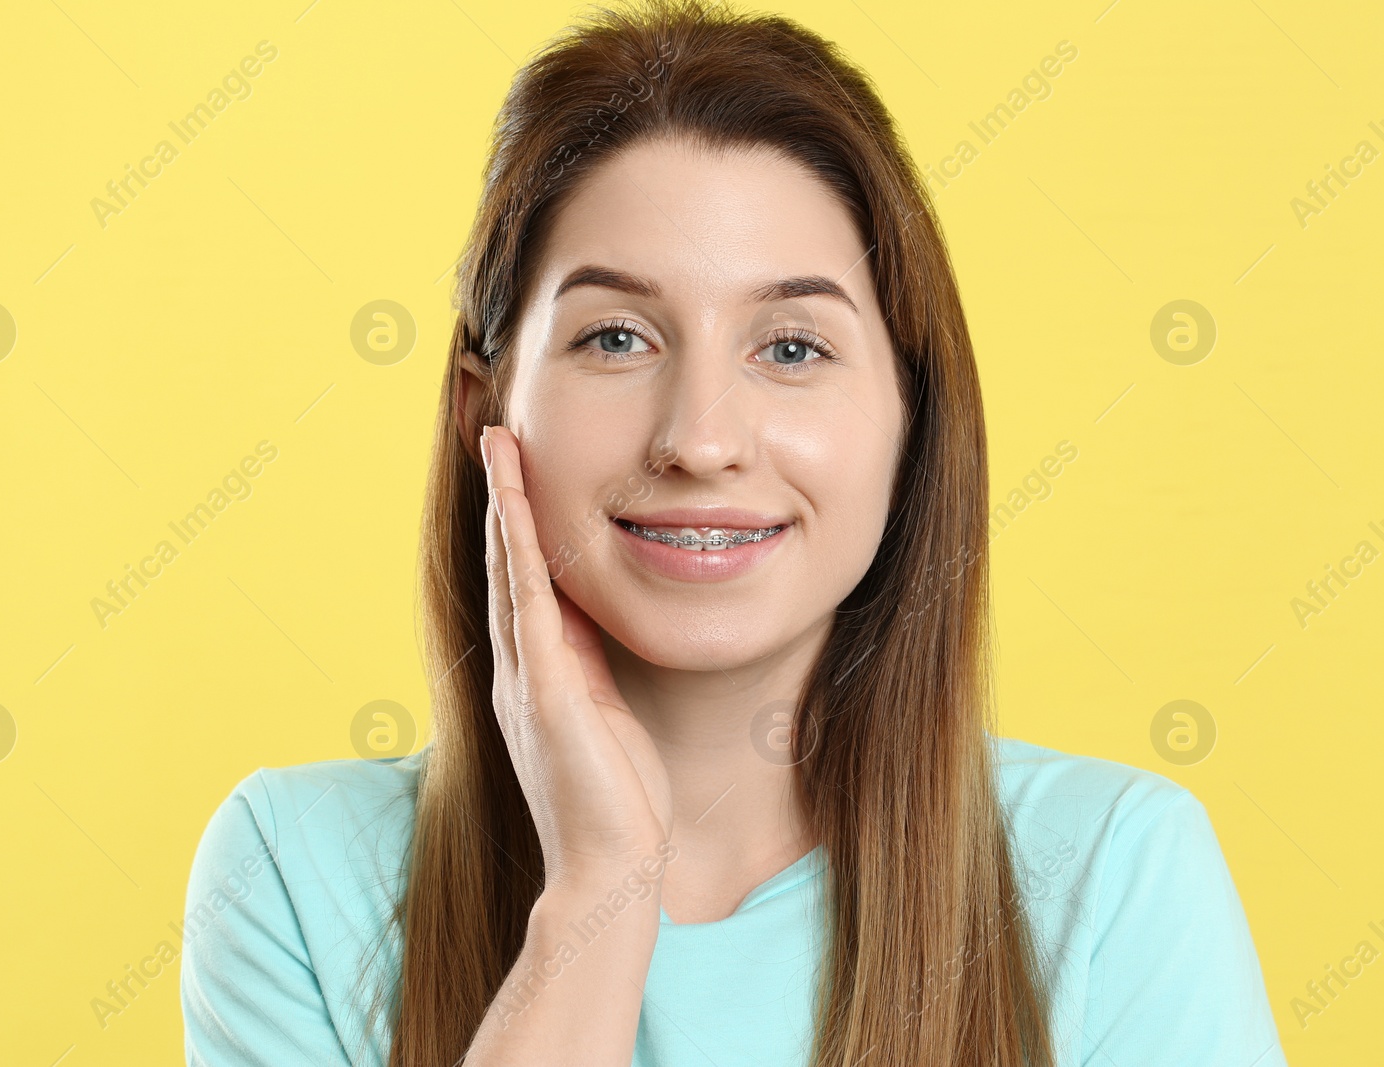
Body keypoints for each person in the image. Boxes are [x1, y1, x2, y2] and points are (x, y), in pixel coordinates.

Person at [181, 2, 1287, 1063]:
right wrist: (600, 890)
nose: (700, 441)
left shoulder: (1110, 874)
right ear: (485, 409)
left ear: (913, 416)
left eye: (792, 347)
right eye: (615, 336)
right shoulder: (295, 869)